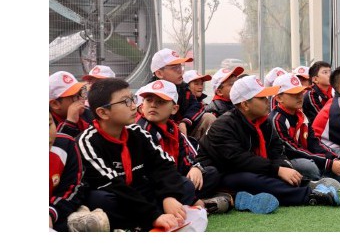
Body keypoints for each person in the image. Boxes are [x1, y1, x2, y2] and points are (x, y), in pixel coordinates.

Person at [195, 75, 340, 213]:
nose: (267, 100)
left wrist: (283, 167)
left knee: (280, 171)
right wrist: (277, 170)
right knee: (253, 178)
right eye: (261, 98)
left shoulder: (264, 122)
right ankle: (310, 195)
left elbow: (277, 151)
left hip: (249, 169)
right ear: (245, 104)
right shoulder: (223, 125)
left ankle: (303, 184)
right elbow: (240, 160)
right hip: (220, 175)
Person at [78, 78, 197, 231]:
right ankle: (144, 221)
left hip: (137, 194)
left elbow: (164, 165)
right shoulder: (87, 142)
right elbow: (114, 185)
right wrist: (153, 216)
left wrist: (169, 196)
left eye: (133, 99)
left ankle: (141, 221)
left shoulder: (137, 132)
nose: (134, 106)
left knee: (186, 185)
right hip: (118, 195)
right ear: (103, 112)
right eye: (126, 102)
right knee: (101, 200)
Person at [135, 79, 232, 214]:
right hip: (153, 184)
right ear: (141, 107)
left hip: (173, 180)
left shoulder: (173, 129)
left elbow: (191, 155)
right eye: (148, 100)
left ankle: (188, 201)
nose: (153, 105)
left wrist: (195, 167)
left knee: (211, 173)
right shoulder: (140, 130)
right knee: (186, 185)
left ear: (174, 109)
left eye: (160, 102)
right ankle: (196, 203)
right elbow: (152, 173)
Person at [270, 73, 340, 185]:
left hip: (306, 155)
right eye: (294, 94)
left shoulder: (301, 115)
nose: (300, 96)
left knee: (339, 153)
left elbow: (314, 143)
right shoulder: (277, 119)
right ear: (279, 98)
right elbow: (293, 151)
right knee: (309, 166)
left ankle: (323, 180)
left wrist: (334, 159)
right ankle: (325, 180)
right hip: (289, 161)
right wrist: (328, 163)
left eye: (301, 92)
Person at [50, 113, 109, 231]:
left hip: (54, 211)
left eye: (48, 124)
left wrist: (51, 213)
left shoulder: (65, 144)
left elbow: (73, 187)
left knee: (103, 200)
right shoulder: (86, 139)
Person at [149, 48, 214, 140]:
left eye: (180, 66)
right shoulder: (148, 93)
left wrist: (185, 122)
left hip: (183, 131)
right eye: (174, 68)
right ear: (159, 73)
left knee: (208, 118)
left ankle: (198, 149)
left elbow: (196, 106)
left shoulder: (183, 89)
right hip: (161, 137)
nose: (180, 71)